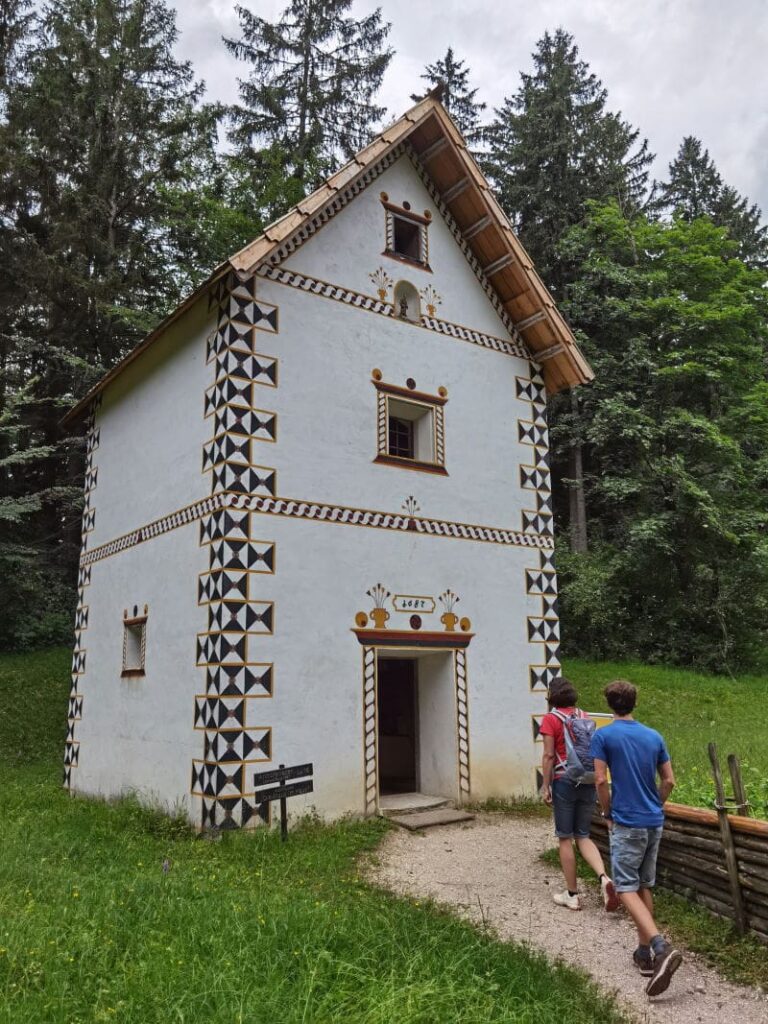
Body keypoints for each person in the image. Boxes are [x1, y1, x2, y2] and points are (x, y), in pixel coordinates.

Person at [591, 680, 681, 998]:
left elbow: (601, 779)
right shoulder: (654, 736)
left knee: (626, 886)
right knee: (644, 885)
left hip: (626, 822)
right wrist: (655, 803)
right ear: (634, 702)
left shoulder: (603, 736)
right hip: (654, 821)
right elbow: (669, 780)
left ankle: (659, 945)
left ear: (610, 704)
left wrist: (607, 812)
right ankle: (644, 955)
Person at [540, 677, 619, 912]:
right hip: (587, 779)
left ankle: (572, 894)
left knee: (565, 837)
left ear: (552, 697)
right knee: (583, 835)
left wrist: (546, 786)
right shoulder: (584, 716)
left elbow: (548, 756)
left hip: (564, 779)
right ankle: (604, 878)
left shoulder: (551, 719)